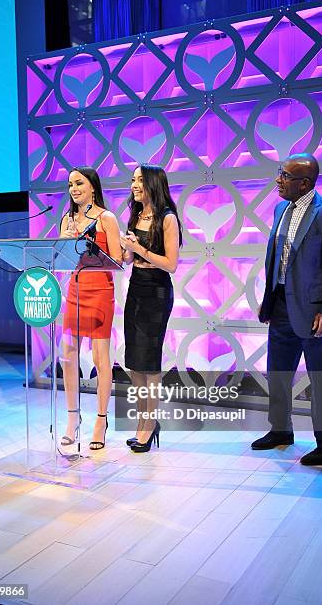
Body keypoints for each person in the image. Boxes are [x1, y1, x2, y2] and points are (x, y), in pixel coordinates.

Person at [253, 153, 322, 465]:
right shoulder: (281, 208)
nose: (278, 181)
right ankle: (280, 430)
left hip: (315, 313)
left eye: (284, 176)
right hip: (281, 304)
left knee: (320, 377)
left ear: (305, 183)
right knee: (278, 372)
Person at [121, 164, 182, 453]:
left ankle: (150, 424)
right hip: (135, 287)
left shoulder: (167, 218)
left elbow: (170, 264)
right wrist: (126, 248)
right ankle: (143, 420)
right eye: (133, 180)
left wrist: (141, 249)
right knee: (133, 360)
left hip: (157, 292)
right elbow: (128, 259)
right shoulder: (135, 215)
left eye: (140, 180)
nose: (134, 185)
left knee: (150, 361)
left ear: (153, 184)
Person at [60, 167, 122, 450]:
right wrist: (69, 241)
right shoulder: (68, 219)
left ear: (93, 187)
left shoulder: (106, 218)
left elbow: (118, 261)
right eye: (71, 184)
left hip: (99, 291)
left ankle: (100, 420)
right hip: (75, 289)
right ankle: (73, 419)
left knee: (100, 358)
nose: (74, 189)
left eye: (79, 183)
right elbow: (61, 258)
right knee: (67, 357)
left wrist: (90, 247)